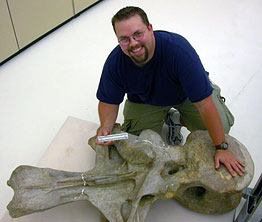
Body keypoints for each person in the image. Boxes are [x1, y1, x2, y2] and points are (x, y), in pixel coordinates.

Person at [95, 6, 245, 177]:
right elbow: (109, 101)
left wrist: (221, 147)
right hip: (145, 100)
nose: (133, 43)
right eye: (124, 39)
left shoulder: (178, 51)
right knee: (139, 146)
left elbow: (204, 104)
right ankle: (166, 118)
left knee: (221, 130)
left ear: (150, 29)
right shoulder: (115, 63)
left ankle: (177, 118)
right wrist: (106, 128)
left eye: (138, 34)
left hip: (186, 95)